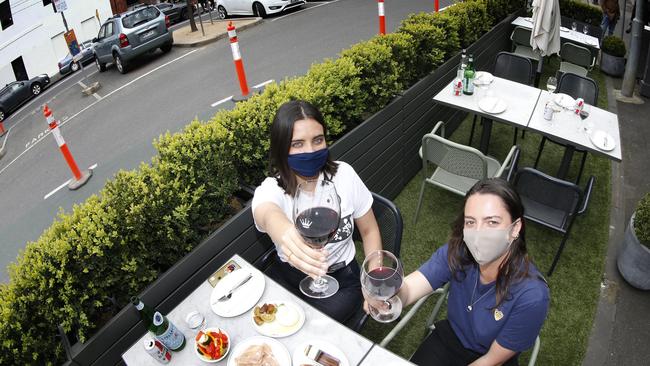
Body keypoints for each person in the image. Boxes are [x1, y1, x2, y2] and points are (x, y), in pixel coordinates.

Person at [365, 178, 549, 366]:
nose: (479, 234)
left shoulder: (532, 296)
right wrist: (387, 297)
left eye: (492, 222)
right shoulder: (458, 251)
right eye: (470, 222)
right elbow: (410, 289)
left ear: (515, 228)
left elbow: (492, 361)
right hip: (451, 339)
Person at [252, 100, 382, 323]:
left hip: (341, 280)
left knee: (315, 328)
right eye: (298, 144)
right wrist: (284, 232)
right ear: (281, 148)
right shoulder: (271, 189)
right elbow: (267, 213)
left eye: (317, 140)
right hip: (288, 277)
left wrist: (373, 280)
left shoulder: (345, 175)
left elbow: (369, 231)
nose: (310, 151)